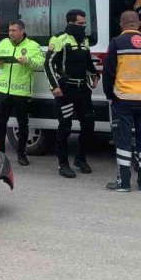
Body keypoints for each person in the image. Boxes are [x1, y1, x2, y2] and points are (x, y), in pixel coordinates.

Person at [103, 11, 141, 192]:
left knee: (123, 141)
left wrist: (110, 95)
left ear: (121, 24)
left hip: (123, 99)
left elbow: (108, 73)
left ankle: (123, 183)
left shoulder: (116, 43)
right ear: (139, 24)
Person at [45, 9, 99, 178]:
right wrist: (54, 86)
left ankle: (80, 159)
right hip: (65, 90)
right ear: (71, 23)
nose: (83, 27)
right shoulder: (59, 39)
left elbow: (88, 60)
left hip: (83, 89)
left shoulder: (85, 40)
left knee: (89, 126)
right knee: (65, 128)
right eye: (80, 24)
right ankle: (63, 164)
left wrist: (95, 74)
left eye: (85, 23)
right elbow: (48, 64)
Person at [0, 20, 44, 166]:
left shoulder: (32, 46)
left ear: (22, 31)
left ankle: (22, 154)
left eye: (14, 30)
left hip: (21, 92)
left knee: (23, 125)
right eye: (9, 30)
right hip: (3, 90)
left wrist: (28, 60)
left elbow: (41, 65)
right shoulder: (3, 43)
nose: (11, 33)